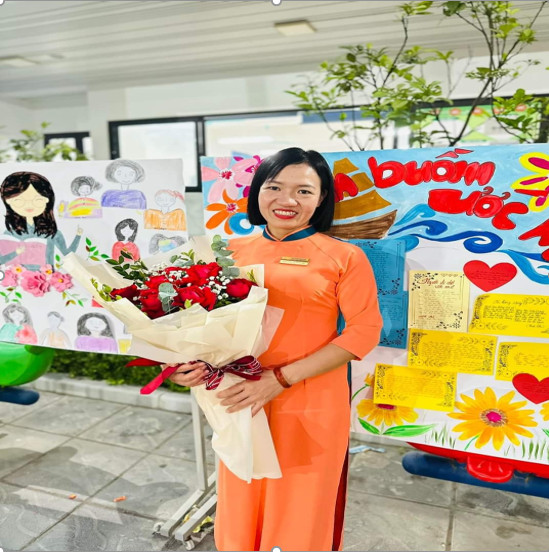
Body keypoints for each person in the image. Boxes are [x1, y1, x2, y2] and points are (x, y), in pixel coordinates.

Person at [169, 147, 382, 551]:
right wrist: (190, 367)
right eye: (275, 187)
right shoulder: (226, 253)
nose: (287, 200)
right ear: (257, 192)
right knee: (241, 500)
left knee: (302, 506)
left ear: (321, 199)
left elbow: (363, 332)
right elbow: (199, 326)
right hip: (240, 400)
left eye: (304, 191)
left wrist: (278, 379)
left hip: (310, 401)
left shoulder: (344, 257)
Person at [0, 172, 83, 270]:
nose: (29, 205)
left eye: (37, 200)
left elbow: (68, 254)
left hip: (46, 277)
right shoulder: (9, 234)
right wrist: (16, 253)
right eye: (19, 201)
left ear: (47, 200)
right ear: (8, 202)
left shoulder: (52, 232)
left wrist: (78, 236)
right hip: (18, 277)